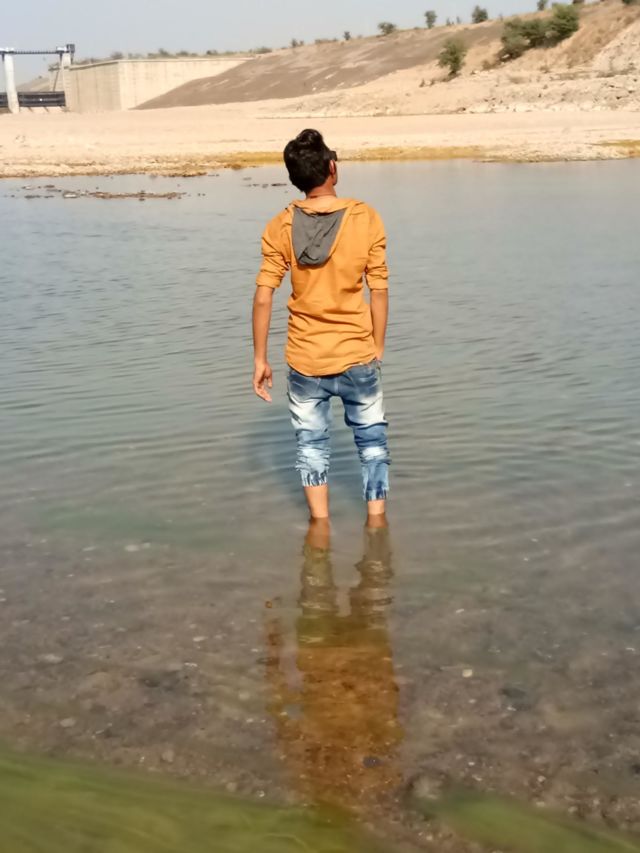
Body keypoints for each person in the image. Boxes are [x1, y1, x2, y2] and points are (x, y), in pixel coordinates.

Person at [252, 128, 390, 521]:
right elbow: (379, 289)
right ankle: (376, 525)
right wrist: (377, 346)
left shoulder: (280, 225)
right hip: (357, 352)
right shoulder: (364, 217)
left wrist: (260, 359)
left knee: (311, 448)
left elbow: (263, 296)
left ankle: (319, 529)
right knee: (372, 443)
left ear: (295, 178)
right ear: (332, 169)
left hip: (304, 358)